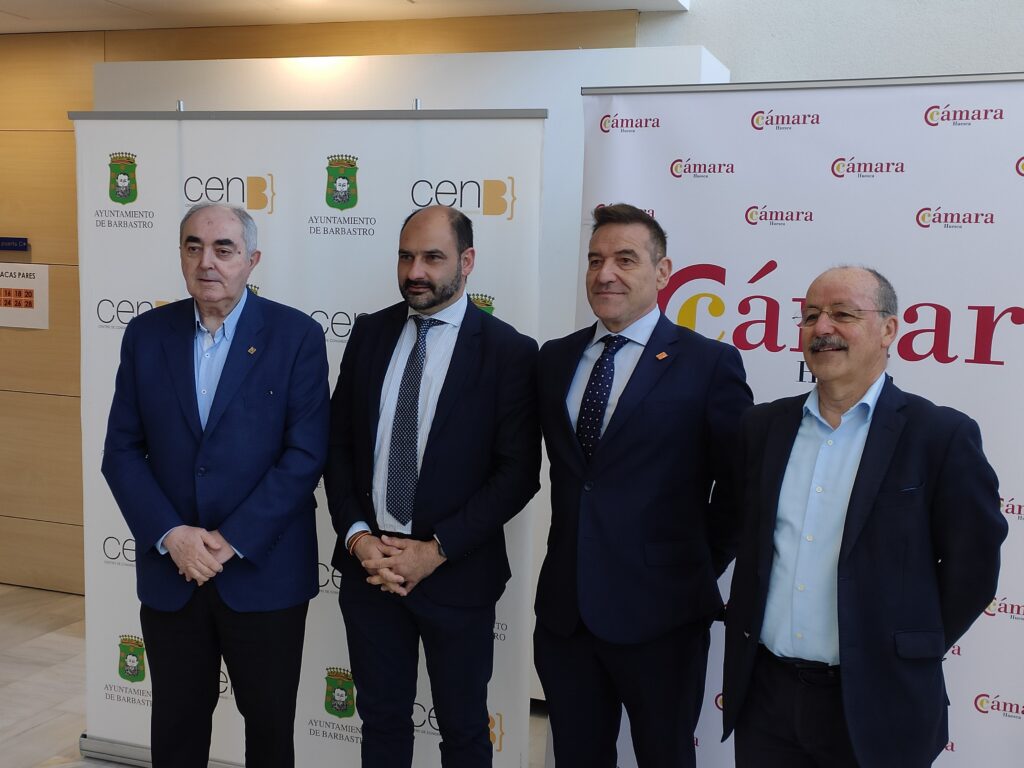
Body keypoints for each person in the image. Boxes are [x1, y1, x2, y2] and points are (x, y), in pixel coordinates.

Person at [722, 266, 1007, 768]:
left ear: (888, 329)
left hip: (880, 703)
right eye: (811, 315)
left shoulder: (940, 436)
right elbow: (736, 533)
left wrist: (902, 651)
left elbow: (974, 572)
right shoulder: (762, 427)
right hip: (766, 698)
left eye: (843, 314)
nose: (822, 328)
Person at [101, 203, 329, 768]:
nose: (207, 262)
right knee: (176, 731)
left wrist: (230, 540)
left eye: (224, 249)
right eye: (193, 247)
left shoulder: (296, 336)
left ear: (252, 259)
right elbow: (121, 451)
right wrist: (172, 535)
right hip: (172, 573)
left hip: (264, 573)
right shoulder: (145, 335)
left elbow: (305, 456)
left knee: (270, 732)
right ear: (180, 255)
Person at [534, 203, 753, 768]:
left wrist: (688, 568)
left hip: (664, 618)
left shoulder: (709, 364)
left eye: (625, 259)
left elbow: (738, 491)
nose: (605, 273)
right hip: (566, 615)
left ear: (663, 272)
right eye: (595, 260)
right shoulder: (555, 359)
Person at [324, 204, 540, 768]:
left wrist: (435, 550)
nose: (415, 271)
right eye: (405, 256)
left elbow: (518, 473)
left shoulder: (509, 351)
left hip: (458, 574)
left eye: (432, 257)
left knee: (464, 730)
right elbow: (338, 446)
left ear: (467, 262)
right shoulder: (370, 333)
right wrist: (358, 538)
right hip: (370, 571)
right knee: (381, 722)